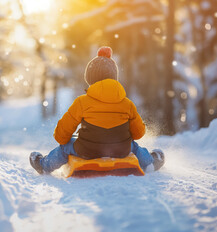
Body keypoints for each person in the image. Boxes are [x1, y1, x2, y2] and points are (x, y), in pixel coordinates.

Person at [29, 46, 164, 175]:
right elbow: (139, 133)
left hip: (87, 150)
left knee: (65, 147)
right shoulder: (127, 103)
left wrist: (64, 139)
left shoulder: (82, 102)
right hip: (121, 150)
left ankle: (44, 166)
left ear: (90, 78)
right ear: (114, 77)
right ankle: (150, 163)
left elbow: (61, 135)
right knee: (133, 145)